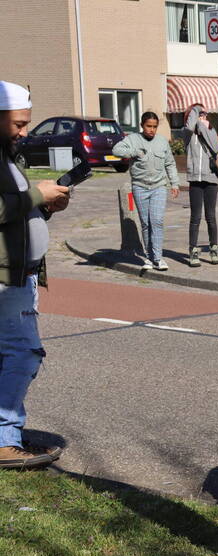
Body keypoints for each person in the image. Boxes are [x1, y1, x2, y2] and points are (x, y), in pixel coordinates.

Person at [0, 81, 70, 468]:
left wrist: (45, 207)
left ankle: (6, 434)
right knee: (24, 354)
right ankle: (5, 438)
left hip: (18, 274)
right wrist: (36, 196)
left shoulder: (7, 154)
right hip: (6, 279)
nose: (25, 131)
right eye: (19, 123)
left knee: (7, 356)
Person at [112, 112, 180, 271]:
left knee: (156, 221)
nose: (151, 130)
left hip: (159, 187)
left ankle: (158, 258)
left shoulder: (162, 142)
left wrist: (175, 183)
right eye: (149, 126)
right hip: (140, 186)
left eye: (155, 127)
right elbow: (116, 150)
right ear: (142, 125)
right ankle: (149, 258)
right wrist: (133, 152)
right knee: (146, 223)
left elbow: (170, 164)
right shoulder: (133, 139)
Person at [183, 103, 218, 267]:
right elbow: (190, 126)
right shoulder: (188, 134)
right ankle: (193, 250)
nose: (203, 117)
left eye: (205, 114)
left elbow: (215, 147)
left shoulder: (211, 131)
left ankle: (213, 248)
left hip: (211, 179)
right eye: (199, 114)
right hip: (195, 180)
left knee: (211, 217)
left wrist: (204, 127)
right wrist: (196, 111)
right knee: (195, 217)